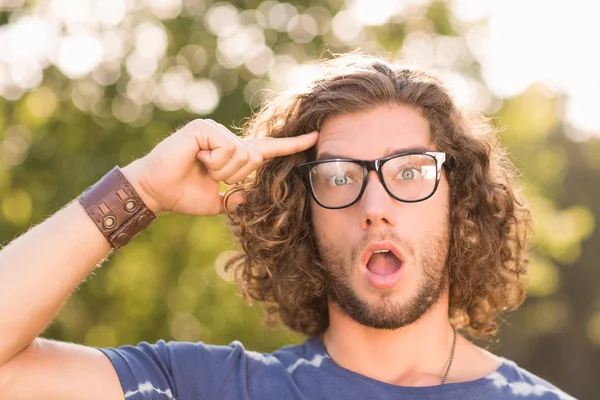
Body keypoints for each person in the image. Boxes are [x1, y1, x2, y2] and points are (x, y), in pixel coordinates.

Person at [0, 54, 575, 400]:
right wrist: (143, 190)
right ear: (303, 214)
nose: (375, 203)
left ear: (459, 202)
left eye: (409, 171)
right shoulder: (207, 388)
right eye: (339, 176)